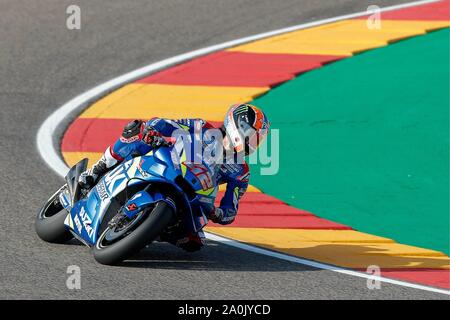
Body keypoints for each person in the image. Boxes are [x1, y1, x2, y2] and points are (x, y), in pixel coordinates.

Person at [78, 103, 270, 251]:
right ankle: (97, 169)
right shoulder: (201, 127)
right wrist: (154, 132)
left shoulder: (241, 172)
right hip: (168, 165)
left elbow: (231, 209)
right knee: (136, 129)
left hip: (194, 194)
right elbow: (167, 124)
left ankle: (152, 230)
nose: (253, 143)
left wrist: (218, 214)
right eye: (251, 135)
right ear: (236, 124)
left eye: (257, 140)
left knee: (194, 243)